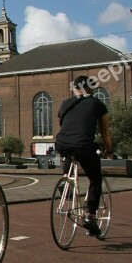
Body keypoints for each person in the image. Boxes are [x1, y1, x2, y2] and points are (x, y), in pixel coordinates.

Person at [55, 75, 113, 236]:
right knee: (95, 179)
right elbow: (105, 131)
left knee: (70, 151)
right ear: (89, 88)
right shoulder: (97, 104)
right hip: (83, 145)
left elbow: (66, 126)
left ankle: (66, 180)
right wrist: (109, 150)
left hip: (61, 143)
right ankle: (90, 216)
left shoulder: (65, 103)